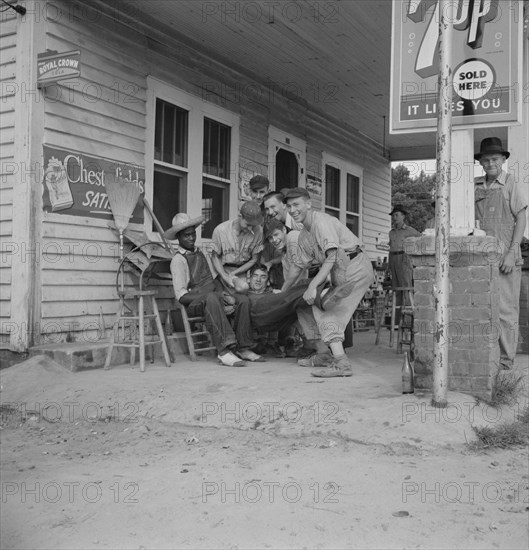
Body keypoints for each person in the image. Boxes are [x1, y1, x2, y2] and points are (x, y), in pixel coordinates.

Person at [282, 187, 375, 377]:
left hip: (353, 264)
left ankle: (341, 364)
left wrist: (312, 286)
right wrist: (283, 291)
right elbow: (297, 268)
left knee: (324, 307)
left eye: (297, 204)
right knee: (304, 304)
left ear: (308, 204)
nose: (293, 210)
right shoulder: (303, 236)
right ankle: (323, 354)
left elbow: (332, 256)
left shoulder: (321, 222)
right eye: (289, 206)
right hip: (337, 269)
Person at [167, 213, 263, 366]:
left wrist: (225, 293)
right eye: (186, 236)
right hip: (193, 303)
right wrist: (211, 294)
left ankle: (243, 348)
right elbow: (181, 297)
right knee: (212, 298)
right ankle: (224, 351)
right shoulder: (178, 260)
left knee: (243, 300)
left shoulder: (200, 252)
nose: (191, 238)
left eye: (193, 234)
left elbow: (213, 279)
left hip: (212, 296)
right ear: (178, 238)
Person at [474, 137, 527, 370]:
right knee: (481, 308)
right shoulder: (474, 186)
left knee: (505, 310)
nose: (490, 163)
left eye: (494, 159)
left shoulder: (511, 183)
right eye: (485, 160)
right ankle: (486, 358)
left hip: (506, 257)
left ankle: (506, 361)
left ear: (503, 160)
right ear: (481, 163)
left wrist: (511, 252)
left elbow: (521, 218)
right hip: (480, 258)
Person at [210, 200, 264, 291]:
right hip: (221, 270)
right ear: (240, 217)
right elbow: (214, 256)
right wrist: (225, 276)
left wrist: (235, 273)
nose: (250, 228)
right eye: (248, 224)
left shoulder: (259, 231)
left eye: (253, 225)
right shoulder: (221, 230)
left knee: (244, 291)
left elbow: (254, 258)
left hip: (243, 271)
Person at [387, 206, 421, 323]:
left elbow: (422, 239)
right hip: (393, 259)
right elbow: (390, 248)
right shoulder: (391, 233)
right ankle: (397, 321)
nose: (394, 218)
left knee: (406, 288)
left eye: (397, 215)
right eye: (393, 215)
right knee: (396, 290)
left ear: (403, 216)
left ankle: (407, 320)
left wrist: (413, 254)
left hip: (404, 259)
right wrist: (388, 265)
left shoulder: (409, 231)